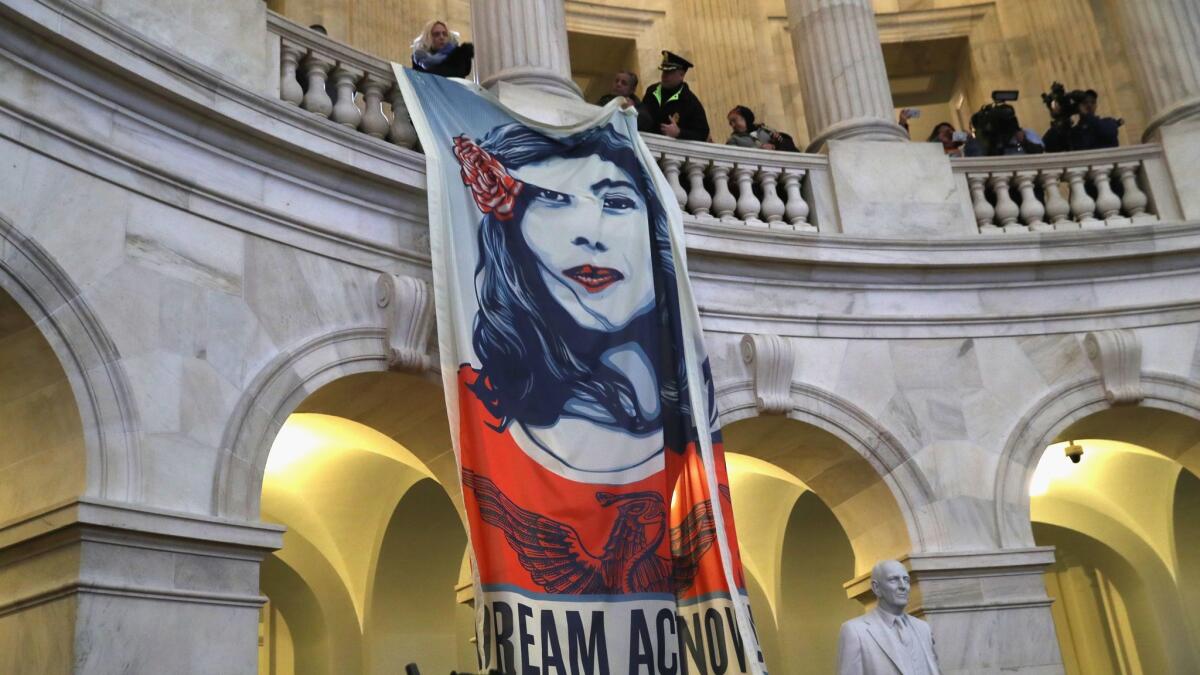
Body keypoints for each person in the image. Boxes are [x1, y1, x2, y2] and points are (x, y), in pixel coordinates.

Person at [451, 121, 710, 479]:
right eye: (554, 198)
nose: (590, 234)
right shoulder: (480, 402)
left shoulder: (696, 399)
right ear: (512, 228)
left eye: (617, 203)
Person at [837, 560, 941, 675]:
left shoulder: (923, 628)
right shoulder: (855, 631)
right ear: (876, 588)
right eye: (893, 580)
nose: (903, 586)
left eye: (906, 580)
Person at [638, 51, 710, 142]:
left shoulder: (690, 102)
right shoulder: (652, 91)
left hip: (672, 154)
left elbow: (702, 134)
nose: (664, 75)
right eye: (664, 70)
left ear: (681, 75)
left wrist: (679, 133)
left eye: (670, 72)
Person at [726, 106, 798, 152]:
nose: (732, 125)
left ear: (745, 118)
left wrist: (775, 143)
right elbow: (735, 155)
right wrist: (759, 149)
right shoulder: (733, 140)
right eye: (730, 123)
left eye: (734, 120)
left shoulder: (766, 130)